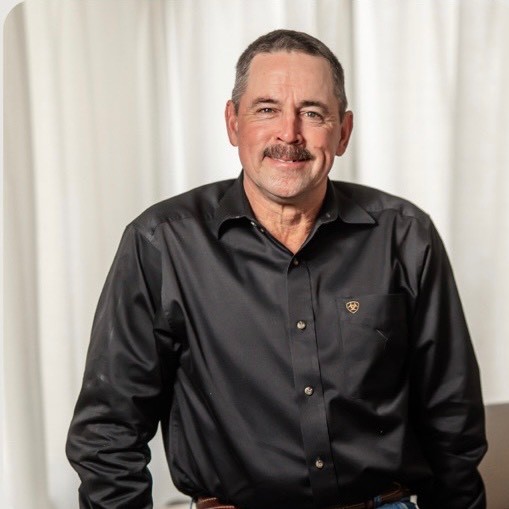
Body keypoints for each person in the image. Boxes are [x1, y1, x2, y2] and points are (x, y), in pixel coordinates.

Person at [66, 29, 487, 509]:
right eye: (267, 109)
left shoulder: (406, 236)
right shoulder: (162, 243)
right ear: (233, 123)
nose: (289, 134)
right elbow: (108, 431)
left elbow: (451, 420)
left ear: (343, 132)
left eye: (313, 113)